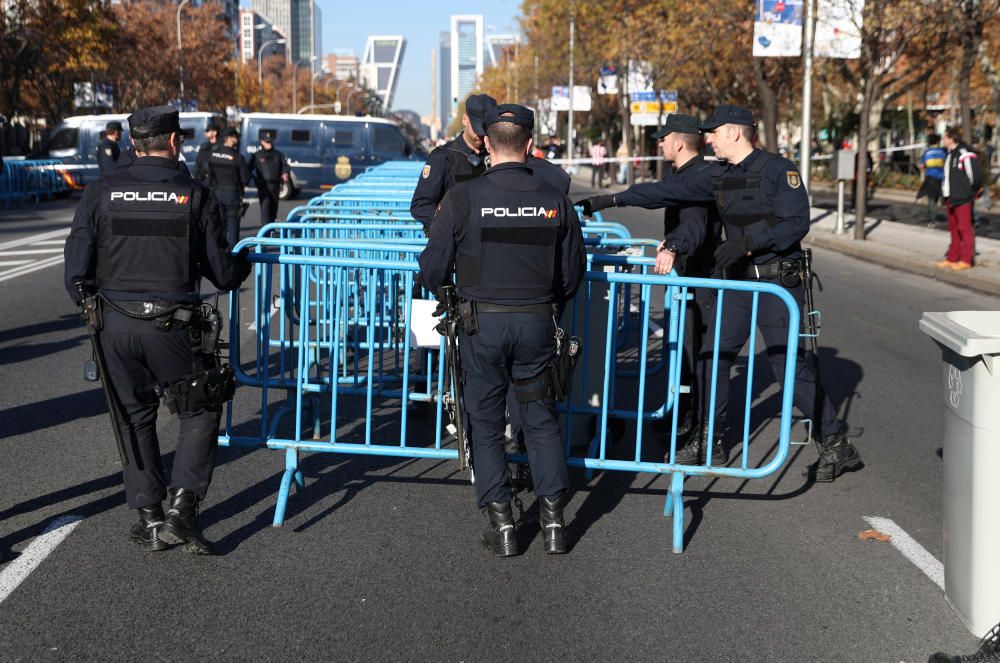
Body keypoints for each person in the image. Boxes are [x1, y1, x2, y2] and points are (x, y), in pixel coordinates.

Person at [578, 104, 863, 482]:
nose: (707, 138)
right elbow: (665, 190)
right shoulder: (718, 176)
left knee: (788, 367)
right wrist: (608, 200)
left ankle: (834, 442)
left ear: (735, 132)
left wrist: (747, 243)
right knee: (714, 355)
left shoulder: (779, 170)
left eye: (713, 131)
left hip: (777, 282)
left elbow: (797, 223)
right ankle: (709, 439)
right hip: (739, 282)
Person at [63, 106, 251, 555]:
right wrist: (244, 261)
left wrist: (94, 308)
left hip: (114, 325)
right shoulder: (194, 194)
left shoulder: (100, 191)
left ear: (132, 142)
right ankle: (183, 511)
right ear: (172, 142)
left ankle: (149, 516)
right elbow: (223, 274)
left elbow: (76, 272)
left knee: (132, 416)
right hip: (173, 325)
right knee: (199, 411)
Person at [418, 104, 586, 556]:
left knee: (486, 423)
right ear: (530, 145)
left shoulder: (463, 198)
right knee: (540, 419)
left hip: (481, 327)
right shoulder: (556, 201)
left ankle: (504, 525)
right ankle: (554, 522)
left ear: (487, 143)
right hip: (536, 322)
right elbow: (572, 274)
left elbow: (432, 268)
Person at [598, 114, 724, 463]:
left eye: (664, 138)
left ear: (679, 142)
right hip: (689, 278)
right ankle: (681, 416)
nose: (660, 143)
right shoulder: (685, 175)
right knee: (683, 354)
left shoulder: (698, 178)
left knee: (698, 357)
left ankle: (699, 432)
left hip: (701, 280)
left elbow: (695, 224)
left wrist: (674, 246)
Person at [409, 94, 495, 232]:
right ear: (465, 120)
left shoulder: (497, 155)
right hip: (455, 242)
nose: (481, 135)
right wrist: (450, 224)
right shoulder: (443, 157)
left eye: (486, 130)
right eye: (477, 128)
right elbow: (420, 206)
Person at [937, 126, 982, 271]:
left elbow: (975, 176)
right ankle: (952, 257)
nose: (943, 140)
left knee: (964, 228)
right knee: (953, 228)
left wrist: (969, 192)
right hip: (951, 197)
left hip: (963, 197)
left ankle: (966, 259)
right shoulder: (949, 154)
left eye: (945, 137)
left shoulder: (964, 153)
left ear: (951, 138)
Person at [207, 127, 251, 247]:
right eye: (236, 137)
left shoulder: (213, 154)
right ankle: (233, 254)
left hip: (217, 193)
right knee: (233, 227)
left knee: (219, 225)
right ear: (230, 138)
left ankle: (220, 253)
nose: (237, 139)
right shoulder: (237, 157)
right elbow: (246, 179)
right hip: (232, 195)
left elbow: (209, 176)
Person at [251, 129, 290, 226]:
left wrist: (285, 173)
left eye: (270, 141)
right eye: (267, 142)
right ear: (262, 142)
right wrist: (253, 180)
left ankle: (271, 231)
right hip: (264, 186)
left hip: (275, 186)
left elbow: (285, 165)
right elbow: (248, 169)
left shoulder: (278, 154)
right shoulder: (257, 155)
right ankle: (264, 234)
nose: (269, 144)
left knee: (273, 210)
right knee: (265, 211)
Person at [917, 134, 946, 226]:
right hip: (941, 178)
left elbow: (921, 167)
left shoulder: (927, 152)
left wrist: (924, 167)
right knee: (936, 198)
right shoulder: (943, 151)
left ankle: (932, 220)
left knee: (931, 199)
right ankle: (934, 215)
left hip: (930, 177)